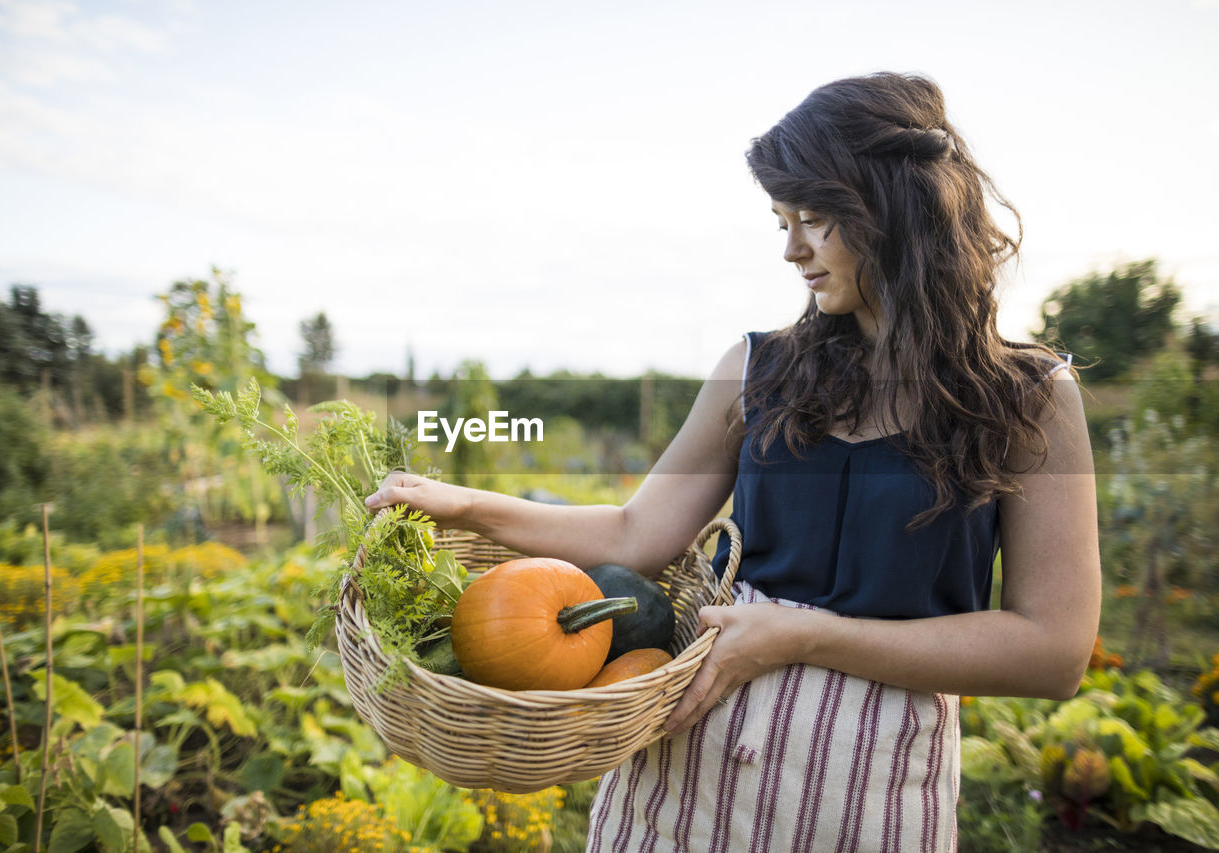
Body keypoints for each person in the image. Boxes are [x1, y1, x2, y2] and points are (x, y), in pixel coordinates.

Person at [365, 71, 1100, 853]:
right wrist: (466, 504)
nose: (792, 250)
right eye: (782, 221)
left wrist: (801, 635)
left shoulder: (1029, 397)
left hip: (867, 801)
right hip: (685, 780)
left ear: (893, 211)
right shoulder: (757, 369)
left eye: (814, 220)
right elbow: (633, 533)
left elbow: (1052, 649)